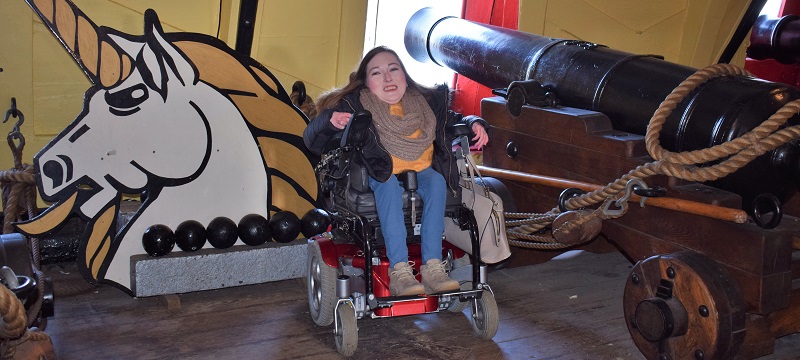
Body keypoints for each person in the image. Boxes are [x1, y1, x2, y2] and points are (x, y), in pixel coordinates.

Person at [303, 46, 489, 296]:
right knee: (388, 186)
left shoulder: (424, 103)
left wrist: (473, 122)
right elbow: (312, 141)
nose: (388, 78)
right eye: (377, 73)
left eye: (393, 69)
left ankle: (433, 267)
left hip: (421, 167)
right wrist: (328, 121)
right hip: (377, 169)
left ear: (405, 75)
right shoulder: (355, 106)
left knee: (436, 182)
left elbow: (452, 118)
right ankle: (399, 271)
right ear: (366, 83)